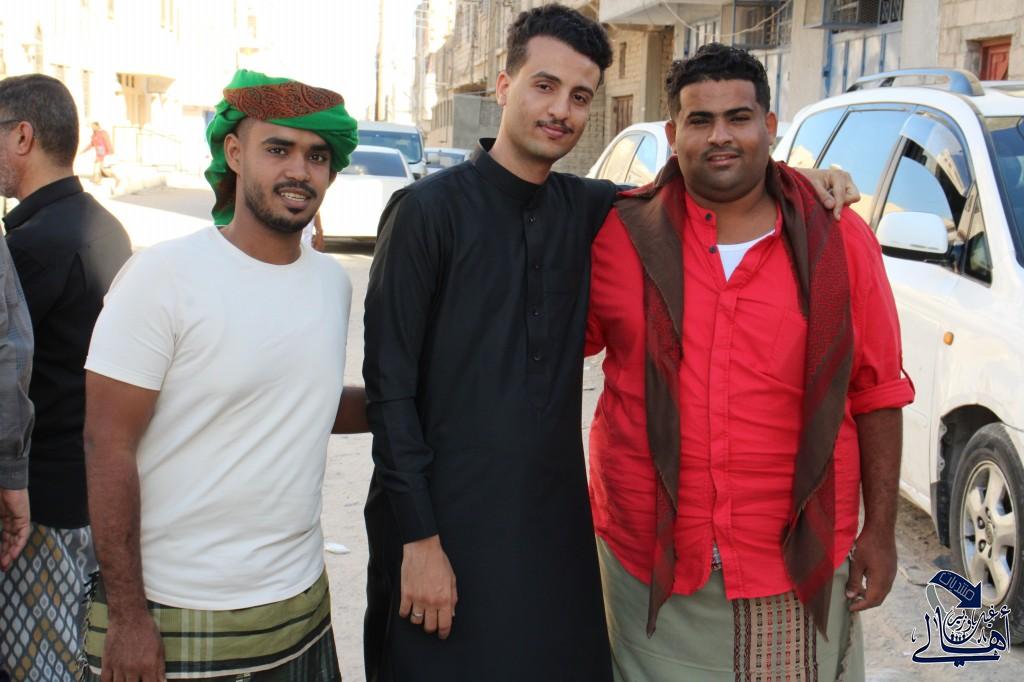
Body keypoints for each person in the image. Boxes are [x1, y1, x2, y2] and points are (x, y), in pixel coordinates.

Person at [363, 5, 857, 680]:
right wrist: (418, 539)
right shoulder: (426, 213)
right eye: (544, 86)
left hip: (551, 532)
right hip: (441, 523)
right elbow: (389, 392)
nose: (560, 110)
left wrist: (804, 180)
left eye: (579, 96)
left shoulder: (592, 210)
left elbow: (711, 175)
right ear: (504, 86)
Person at [585, 43, 915, 680]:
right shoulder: (620, 234)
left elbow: (876, 391)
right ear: (672, 134)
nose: (720, 136)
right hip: (647, 556)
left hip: (793, 558)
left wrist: (880, 530)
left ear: (769, 126)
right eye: (700, 120)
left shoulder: (839, 238)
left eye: (738, 117)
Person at [81, 69, 365, 681]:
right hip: (177, 611)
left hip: (300, 605)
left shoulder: (330, 283)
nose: (299, 170)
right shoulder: (164, 276)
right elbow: (107, 443)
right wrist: (127, 615)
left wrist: (420, 403)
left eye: (317, 155)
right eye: (278, 149)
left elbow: (299, 401)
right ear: (234, 153)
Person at [0, 74, 132, 682]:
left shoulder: (29, 247)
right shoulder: (105, 225)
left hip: (35, 506)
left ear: (22, 136)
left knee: (35, 665)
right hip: (89, 492)